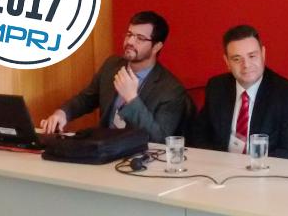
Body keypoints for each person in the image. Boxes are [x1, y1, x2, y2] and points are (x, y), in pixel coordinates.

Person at [42, 11, 189, 143]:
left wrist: (131, 99)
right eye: (129, 34)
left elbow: (159, 139)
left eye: (140, 38)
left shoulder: (171, 90)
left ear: (157, 47)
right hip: (104, 150)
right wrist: (62, 113)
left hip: (139, 156)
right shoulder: (112, 65)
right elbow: (86, 99)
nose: (130, 42)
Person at [190, 25, 288, 160]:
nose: (246, 65)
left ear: (263, 54)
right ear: (227, 62)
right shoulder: (217, 87)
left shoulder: (287, 95)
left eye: (252, 56)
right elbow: (199, 135)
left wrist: (248, 165)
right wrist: (220, 163)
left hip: (265, 170)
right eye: (237, 59)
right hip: (221, 168)